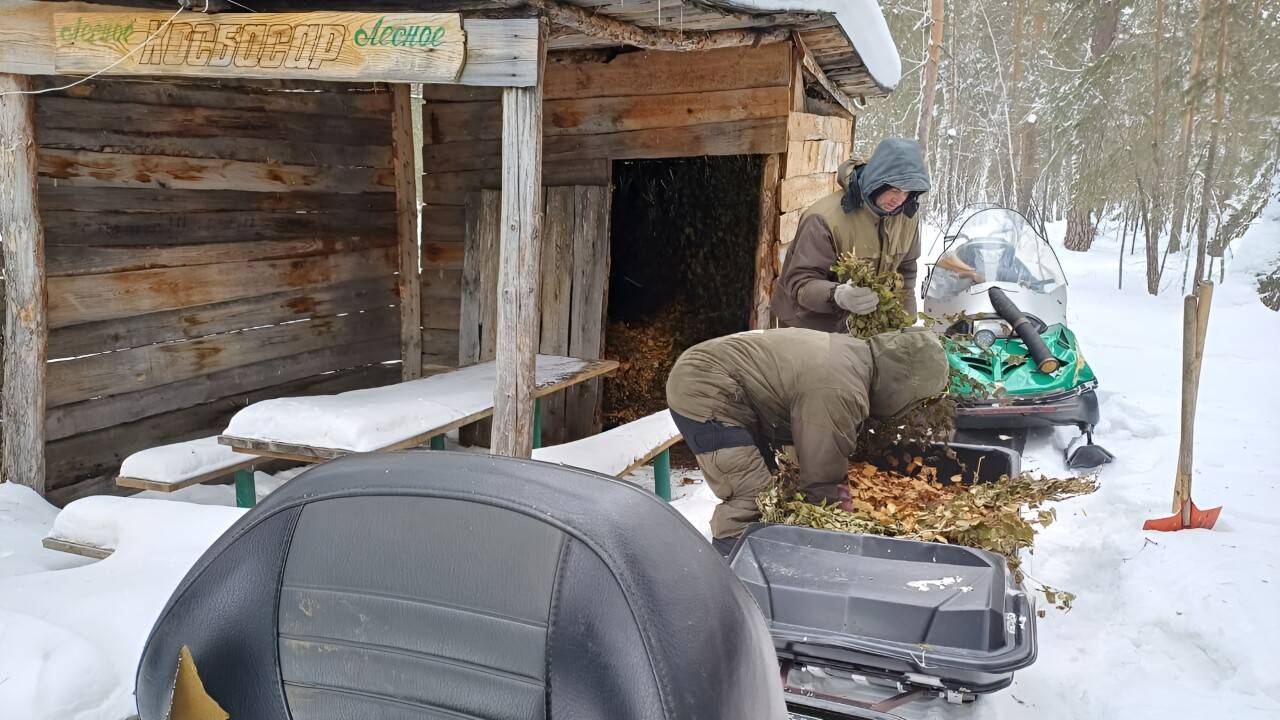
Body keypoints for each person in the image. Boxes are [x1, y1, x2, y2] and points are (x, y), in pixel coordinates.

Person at [665, 327, 949, 554]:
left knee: (773, 488)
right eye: (916, 401)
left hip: (728, 384)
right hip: (704, 387)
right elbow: (821, 471)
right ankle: (730, 563)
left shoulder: (855, 359)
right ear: (903, 385)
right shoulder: (841, 387)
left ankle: (757, 554)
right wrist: (838, 530)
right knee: (752, 495)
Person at [771, 138, 931, 332]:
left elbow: (906, 269)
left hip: (854, 327)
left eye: (907, 192)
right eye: (894, 189)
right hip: (805, 326)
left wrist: (906, 319)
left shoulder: (906, 219)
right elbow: (800, 283)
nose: (899, 199)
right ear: (876, 181)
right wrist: (838, 295)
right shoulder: (823, 219)